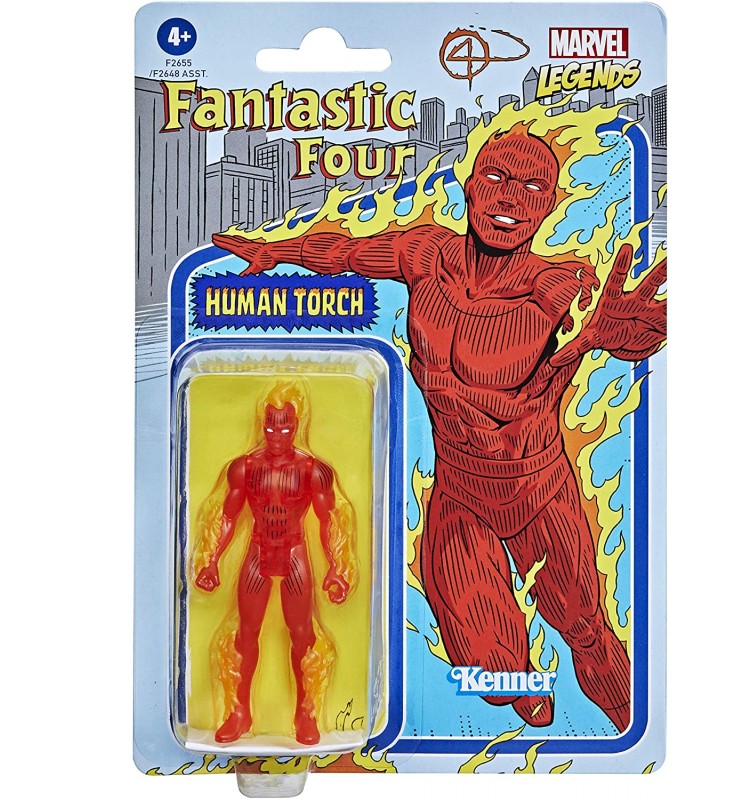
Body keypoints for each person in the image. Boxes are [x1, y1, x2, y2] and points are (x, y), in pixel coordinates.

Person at [212, 128, 666, 733]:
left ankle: (633, 727)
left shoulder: (560, 288)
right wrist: (280, 252)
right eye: (498, 178)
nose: (511, 198)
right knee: (482, 660)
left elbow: (622, 334)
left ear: (552, 205)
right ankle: (520, 689)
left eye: (533, 187)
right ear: (469, 185)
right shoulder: (427, 255)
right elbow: (345, 253)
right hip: (460, 492)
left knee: (585, 630)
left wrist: (627, 334)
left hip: (537, 492)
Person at [195, 397, 351, 745]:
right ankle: (239, 712)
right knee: (245, 635)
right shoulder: (244, 468)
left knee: (303, 636)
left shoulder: (312, 470)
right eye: (270, 427)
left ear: (296, 426)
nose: (277, 435)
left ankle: (306, 713)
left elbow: (329, 520)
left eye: (284, 428)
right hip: (258, 552)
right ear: (262, 426)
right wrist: (211, 559)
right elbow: (227, 516)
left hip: (294, 553)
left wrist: (337, 567)